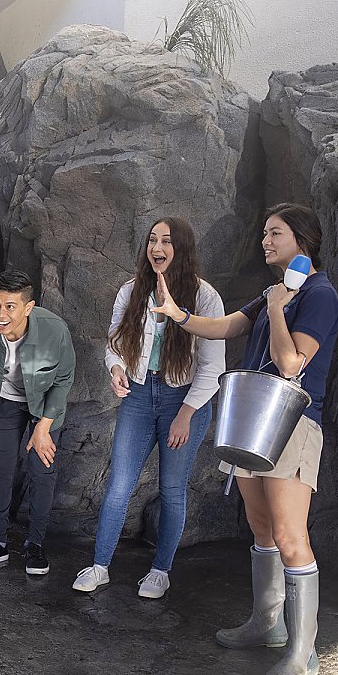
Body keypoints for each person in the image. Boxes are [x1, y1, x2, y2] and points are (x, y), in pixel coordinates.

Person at [152, 202, 338, 675]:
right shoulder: (271, 292)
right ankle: (267, 623)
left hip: (293, 423)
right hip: (256, 420)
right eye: (264, 232)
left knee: (289, 532)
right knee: (260, 525)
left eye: (275, 233)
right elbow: (231, 325)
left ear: (302, 241)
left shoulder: (318, 296)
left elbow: (292, 362)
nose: (265, 241)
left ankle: (303, 653)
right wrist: (179, 315)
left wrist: (279, 308)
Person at [72, 217, 225, 599]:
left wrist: (186, 414)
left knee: (172, 490)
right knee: (119, 486)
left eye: (167, 241)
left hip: (184, 398)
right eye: (152, 240)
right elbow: (115, 342)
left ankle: (160, 571)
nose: (157, 248)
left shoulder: (205, 296)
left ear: (182, 248)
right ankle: (99, 566)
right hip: (139, 396)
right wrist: (117, 368)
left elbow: (213, 366)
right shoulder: (132, 290)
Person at [0, 268, 75, 575]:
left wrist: (42, 428)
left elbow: (63, 380)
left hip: (44, 406)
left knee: (42, 471)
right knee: (0, 469)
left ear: (29, 307)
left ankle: (35, 545)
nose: (0, 314)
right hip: (6, 401)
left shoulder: (54, 330)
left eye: (10, 306)